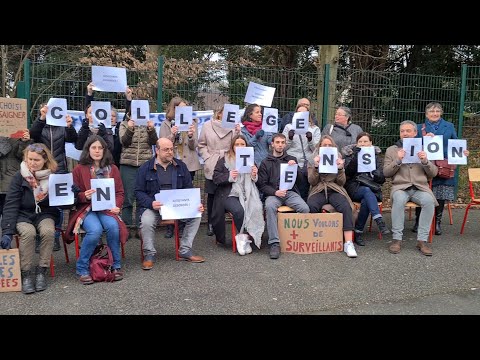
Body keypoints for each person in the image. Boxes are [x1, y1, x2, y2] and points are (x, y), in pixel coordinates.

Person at [135, 138, 205, 270]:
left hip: (176, 206)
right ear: (157, 150)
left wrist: (196, 204)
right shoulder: (145, 168)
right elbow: (138, 192)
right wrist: (151, 203)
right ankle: (149, 254)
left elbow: (188, 189)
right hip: (155, 207)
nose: (169, 152)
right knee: (146, 221)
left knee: (196, 214)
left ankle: (185, 249)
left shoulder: (181, 166)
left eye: (171, 149)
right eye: (166, 149)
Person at [65, 135, 126, 285]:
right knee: (95, 230)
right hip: (88, 208)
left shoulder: (113, 169)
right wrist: (83, 195)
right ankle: (82, 268)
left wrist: (117, 205)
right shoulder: (79, 169)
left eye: (100, 148)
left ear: (105, 150)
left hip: (106, 208)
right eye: (94, 147)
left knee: (113, 227)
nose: (97, 151)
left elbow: (119, 192)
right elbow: (72, 195)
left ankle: (115, 265)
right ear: (88, 149)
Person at [0, 143, 59, 294]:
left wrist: (72, 193)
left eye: (37, 160)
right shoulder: (19, 177)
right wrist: (7, 230)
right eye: (29, 159)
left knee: (48, 231)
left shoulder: (53, 177)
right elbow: (11, 204)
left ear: (45, 161)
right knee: (28, 233)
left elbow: (64, 204)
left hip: (45, 213)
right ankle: (26, 273)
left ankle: (41, 271)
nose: (32, 163)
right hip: (23, 215)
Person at [413, 102, 469, 235]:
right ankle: (418, 221)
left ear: (441, 113)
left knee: (441, 193)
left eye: (437, 111)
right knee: (423, 191)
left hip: (443, 165)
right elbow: (413, 146)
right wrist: (423, 140)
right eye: (432, 111)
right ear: (426, 114)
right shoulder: (420, 128)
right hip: (424, 166)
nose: (435, 113)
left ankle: (436, 222)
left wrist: (463, 152)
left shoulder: (449, 126)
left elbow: (454, 143)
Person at [383, 120, 438, 256]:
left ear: (415, 133)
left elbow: (434, 173)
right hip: (400, 187)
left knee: (429, 201)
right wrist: (398, 160)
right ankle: (397, 239)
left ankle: (422, 240)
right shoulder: (392, 150)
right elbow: (386, 173)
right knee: (399, 200)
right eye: (402, 131)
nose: (405, 134)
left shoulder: (424, 148)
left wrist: (425, 161)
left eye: (408, 131)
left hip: (420, 187)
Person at [30, 104, 78, 251]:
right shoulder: (40, 125)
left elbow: (73, 139)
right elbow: (33, 135)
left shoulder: (62, 126)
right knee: (41, 201)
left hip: (59, 170)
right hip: (42, 171)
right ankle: (40, 236)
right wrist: (41, 118)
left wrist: (69, 126)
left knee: (59, 204)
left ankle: (55, 237)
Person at [257, 133, 310, 260]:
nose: (280, 145)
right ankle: (274, 243)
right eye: (277, 142)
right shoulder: (265, 162)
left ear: (285, 144)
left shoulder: (291, 159)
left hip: (289, 192)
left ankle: (294, 237)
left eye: (282, 142)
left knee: (305, 208)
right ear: (272, 144)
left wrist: (296, 168)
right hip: (274, 194)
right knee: (269, 206)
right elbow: (262, 185)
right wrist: (275, 192)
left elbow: (301, 180)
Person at [212, 135, 264, 254]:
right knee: (238, 210)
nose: (240, 147)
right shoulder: (224, 159)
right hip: (229, 193)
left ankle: (247, 236)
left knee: (256, 207)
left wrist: (254, 174)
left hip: (248, 192)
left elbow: (258, 181)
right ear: (232, 146)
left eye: (242, 144)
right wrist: (229, 176)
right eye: (237, 144)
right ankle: (243, 237)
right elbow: (216, 178)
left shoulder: (250, 159)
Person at [307, 135, 357, 258]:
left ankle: (348, 243)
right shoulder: (313, 158)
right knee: (311, 206)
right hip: (318, 189)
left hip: (334, 189)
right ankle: (316, 237)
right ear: (320, 147)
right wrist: (316, 167)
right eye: (325, 145)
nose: (327, 147)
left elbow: (341, 183)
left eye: (330, 145)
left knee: (346, 207)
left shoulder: (338, 158)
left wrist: (340, 169)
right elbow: (312, 181)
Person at [159, 97, 201, 238]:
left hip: (188, 164)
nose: (182, 111)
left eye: (184, 107)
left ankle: (182, 224)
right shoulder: (166, 123)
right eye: (179, 108)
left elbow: (194, 146)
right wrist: (172, 134)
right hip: (171, 162)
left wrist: (190, 136)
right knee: (170, 192)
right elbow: (161, 143)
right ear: (173, 109)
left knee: (185, 194)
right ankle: (171, 224)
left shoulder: (192, 122)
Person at [118, 92, 158, 238]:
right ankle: (127, 228)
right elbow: (124, 142)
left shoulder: (148, 124)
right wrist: (130, 128)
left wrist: (151, 129)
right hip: (127, 165)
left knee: (143, 197)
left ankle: (141, 228)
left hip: (145, 165)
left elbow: (154, 142)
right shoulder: (124, 124)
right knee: (128, 198)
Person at [198, 104, 241, 237]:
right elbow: (201, 144)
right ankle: (211, 223)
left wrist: (238, 132)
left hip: (229, 162)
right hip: (213, 161)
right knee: (212, 194)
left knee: (227, 193)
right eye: (225, 112)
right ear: (219, 114)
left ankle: (223, 224)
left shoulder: (233, 127)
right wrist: (207, 157)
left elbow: (238, 144)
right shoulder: (207, 126)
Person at [342, 132, 389, 246]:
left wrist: (377, 174)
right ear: (356, 143)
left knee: (366, 200)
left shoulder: (376, 157)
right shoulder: (351, 154)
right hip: (355, 187)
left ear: (370, 143)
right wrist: (355, 157)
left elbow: (382, 179)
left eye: (365, 141)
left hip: (371, 187)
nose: (363, 144)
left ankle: (358, 232)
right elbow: (347, 174)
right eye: (360, 142)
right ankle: (378, 219)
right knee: (367, 192)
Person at [84, 82, 130, 165]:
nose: (111, 118)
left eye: (113, 116)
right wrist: (89, 94)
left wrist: (128, 99)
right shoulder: (99, 128)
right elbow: (89, 111)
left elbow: (128, 116)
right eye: (109, 116)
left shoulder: (119, 128)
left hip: (114, 164)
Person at [282, 104, 321, 201]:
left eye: (304, 113)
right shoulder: (288, 127)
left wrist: (310, 140)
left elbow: (316, 150)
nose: (301, 114)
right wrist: (289, 139)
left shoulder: (314, 129)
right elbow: (282, 148)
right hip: (292, 160)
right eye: (299, 112)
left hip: (307, 162)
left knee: (304, 189)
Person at [0, 131, 32, 219]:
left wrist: (24, 142)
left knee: (10, 216)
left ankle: (8, 233)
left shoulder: (17, 133)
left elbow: (24, 156)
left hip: (10, 182)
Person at [241, 103, 273, 168]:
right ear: (250, 115)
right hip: (250, 164)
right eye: (257, 112)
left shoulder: (265, 128)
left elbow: (271, 142)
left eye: (260, 112)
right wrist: (256, 137)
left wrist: (272, 131)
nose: (260, 114)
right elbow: (246, 146)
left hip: (265, 163)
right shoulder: (243, 130)